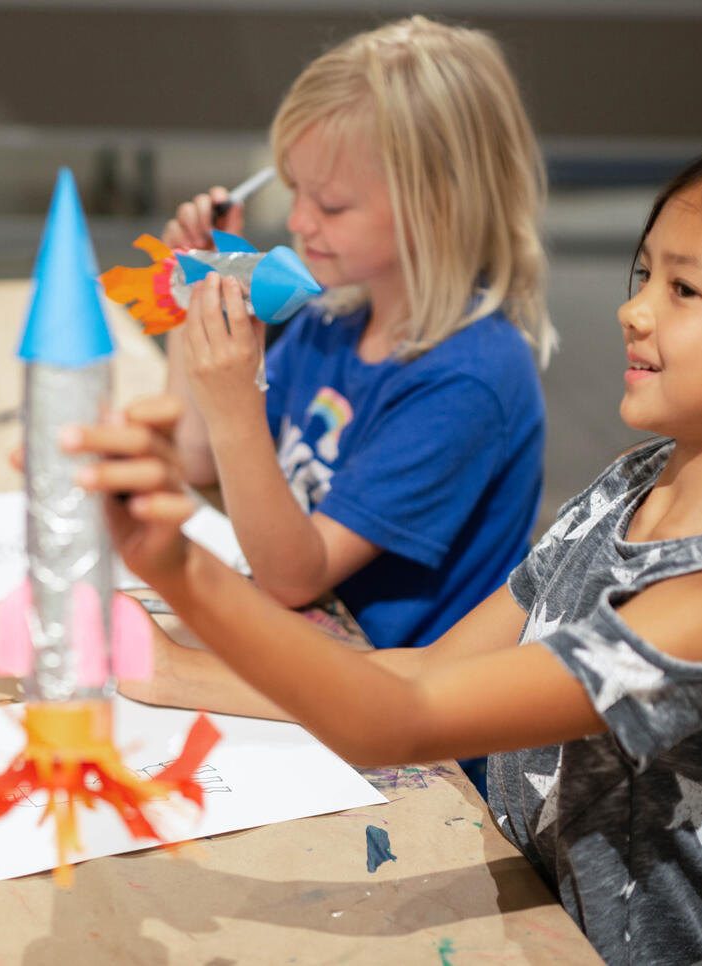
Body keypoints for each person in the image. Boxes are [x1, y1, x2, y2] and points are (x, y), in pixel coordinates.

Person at [75, 140, 702, 964]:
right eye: (642, 274)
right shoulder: (634, 485)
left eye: (684, 289)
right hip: (511, 901)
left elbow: (398, 722)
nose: (631, 309)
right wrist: (175, 669)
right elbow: (422, 673)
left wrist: (181, 570)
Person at [159, 17, 554, 653]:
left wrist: (233, 399)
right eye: (294, 191)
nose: (296, 221)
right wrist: (195, 296)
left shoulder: (468, 380)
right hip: (318, 660)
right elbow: (198, 456)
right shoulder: (332, 318)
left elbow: (293, 575)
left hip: (400, 719)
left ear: (439, 205)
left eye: (331, 205)